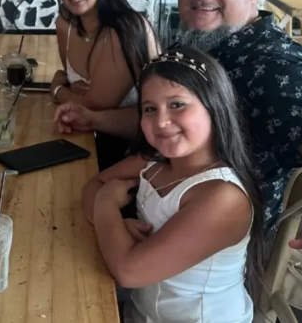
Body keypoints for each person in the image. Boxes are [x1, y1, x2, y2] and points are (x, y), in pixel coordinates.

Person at [57, 0, 302, 289]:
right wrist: (94, 119)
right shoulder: (199, 41)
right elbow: (159, 120)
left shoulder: (276, 65)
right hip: (147, 205)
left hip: (207, 257)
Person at [83, 48, 263, 323]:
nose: (162, 121)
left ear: (214, 106)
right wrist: (116, 227)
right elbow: (93, 185)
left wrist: (106, 204)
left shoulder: (223, 196)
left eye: (177, 104)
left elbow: (129, 272)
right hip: (141, 313)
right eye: (150, 109)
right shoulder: (153, 163)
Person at [50, 0, 159, 111]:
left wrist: (57, 89)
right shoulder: (65, 24)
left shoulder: (127, 29)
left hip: (136, 128)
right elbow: (74, 86)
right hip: (84, 126)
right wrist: (69, 87)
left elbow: (94, 107)